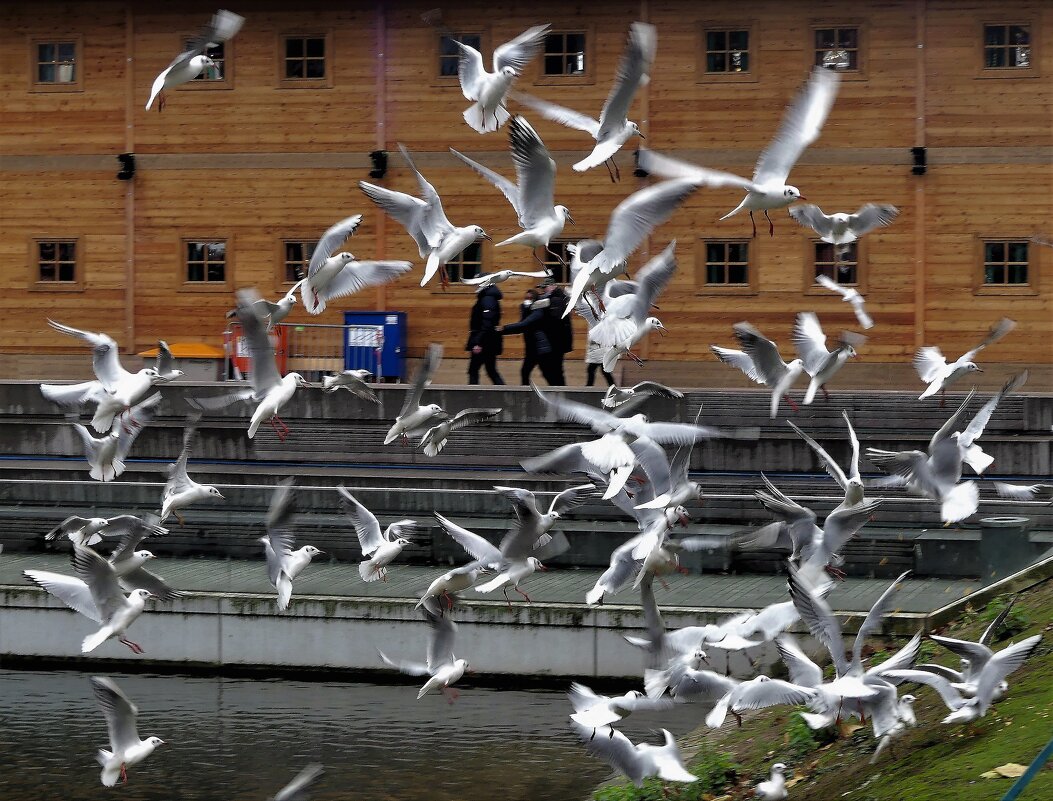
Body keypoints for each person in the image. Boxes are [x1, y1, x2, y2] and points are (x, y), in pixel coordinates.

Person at [465, 283, 504, 385]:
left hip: (484, 341)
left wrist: (478, 342)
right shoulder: (487, 298)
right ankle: (504, 394)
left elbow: (487, 322)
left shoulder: (487, 299)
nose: (474, 286)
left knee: (474, 370)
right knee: (491, 370)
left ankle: (472, 398)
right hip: (488, 340)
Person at [517, 288, 540, 384]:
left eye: (530, 298)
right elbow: (522, 323)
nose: (527, 299)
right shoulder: (524, 308)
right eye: (526, 297)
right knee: (524, 372)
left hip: (538, 346)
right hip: (530, 345)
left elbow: (527, 323)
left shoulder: (538, 310)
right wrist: (525, 308)